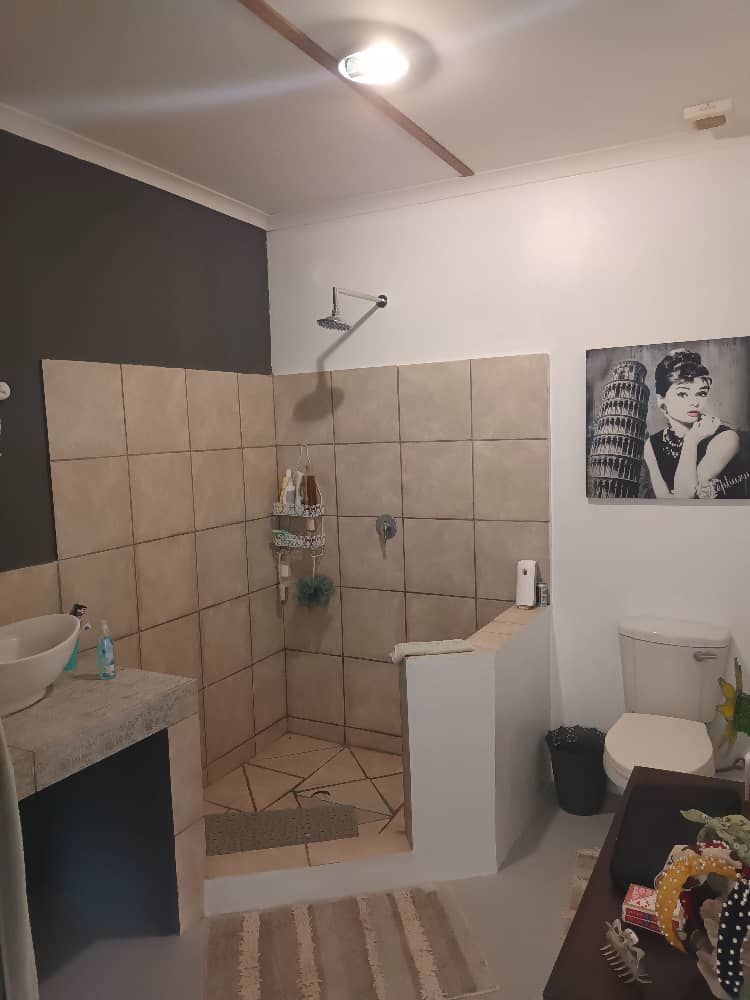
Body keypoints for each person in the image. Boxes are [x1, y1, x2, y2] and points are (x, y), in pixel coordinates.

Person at [644, 349, 749, 499]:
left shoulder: (726, 438)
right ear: (662, 402)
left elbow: (684, 496)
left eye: (701, 393)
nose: (695, 402)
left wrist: (691, 440)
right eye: (682, 394)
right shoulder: (652, 444)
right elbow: (664, 500)